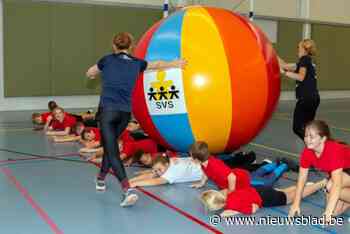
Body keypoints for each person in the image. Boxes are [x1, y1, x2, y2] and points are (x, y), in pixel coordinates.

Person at [86, 32, 186, 207]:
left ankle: (127, 189)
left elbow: (90, 72)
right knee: (110, 148)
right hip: (124, 115)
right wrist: (175, 64)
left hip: (108, 113)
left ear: (114, 45)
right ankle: (101, 178)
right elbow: (157, 65)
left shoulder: (107, 60)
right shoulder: (137, 63)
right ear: (131, 46)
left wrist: (92, 75)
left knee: (112, 150)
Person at [289, 120, 350, 223]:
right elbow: (301, 180)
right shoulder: (307, 152)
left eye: (311, 136)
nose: (307, 140)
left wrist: (327, 212)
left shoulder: (333, 151)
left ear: (323, 139)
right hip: (343, 172)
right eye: (306, 136)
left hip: (346, 171)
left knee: (330, 186)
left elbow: (336, 185)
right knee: (335, 211)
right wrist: (295, 204)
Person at [200, 179, 327, 217]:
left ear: (217, 206)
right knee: (285, 191)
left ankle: (321, 183)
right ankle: (306, 185)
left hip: (266, 198)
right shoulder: (229, 193)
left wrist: (235, 211)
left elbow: (253, 208)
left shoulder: (232, 205)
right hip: (261, 189)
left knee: (294, 197)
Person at [279, 39, 320, 140]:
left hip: (306, 99)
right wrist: (271, 53)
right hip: (313, 98)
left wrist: (284, 73)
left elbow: (300, 77)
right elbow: (284, 65)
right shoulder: (308, 60)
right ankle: (316, 148)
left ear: (304, 49)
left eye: (299, 47)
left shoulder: (304, 59)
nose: (297, 49)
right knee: (307, 128)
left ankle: (315, 145)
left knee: (297, 128)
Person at [129, 155, 203, 187]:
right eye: (156, 170)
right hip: (200, 160)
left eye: (159, 169)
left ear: (167, 164)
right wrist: (131, 180)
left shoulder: (172, 172)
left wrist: (135, 183)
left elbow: (155, 181)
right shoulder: (167, 161)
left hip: (204, 169)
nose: (158, 172)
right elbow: (152, 174)